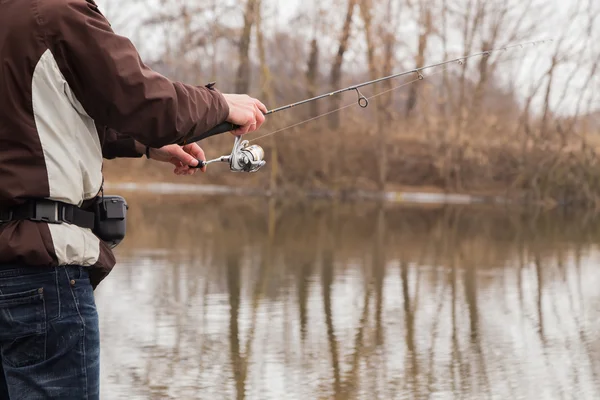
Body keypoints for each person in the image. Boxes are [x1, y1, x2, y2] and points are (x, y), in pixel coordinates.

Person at [0, 0, 267, 398]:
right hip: (41, 275)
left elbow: (39, 112)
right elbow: (140, 98)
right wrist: (222, 105)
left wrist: (147, 145)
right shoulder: (53, 10)